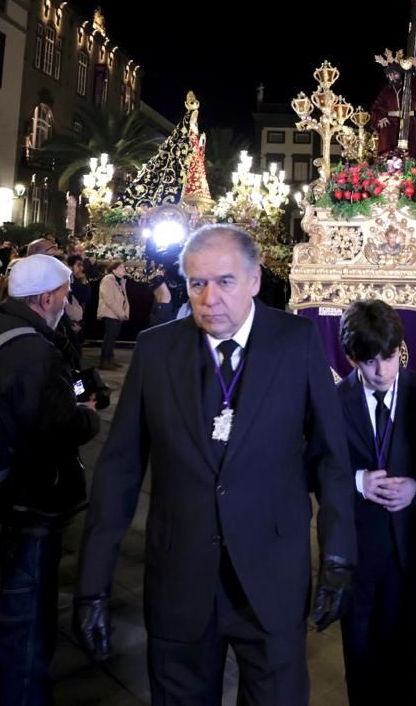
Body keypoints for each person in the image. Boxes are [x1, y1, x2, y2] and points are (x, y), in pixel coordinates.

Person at [74, 225, 356, 704]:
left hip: (270, 581)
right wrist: (92, 584)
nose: (209, 298)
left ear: (254, 280)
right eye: (196, 283)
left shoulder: (297, 341)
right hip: (180, 580)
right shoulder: (156, 349)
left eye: (224, 281)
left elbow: (332, 457)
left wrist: (337, 553)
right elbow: (118, 470)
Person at [0, 254, 101, 705]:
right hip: (25, 499)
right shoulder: (33, 350)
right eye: (64, 294)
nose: (68, 300)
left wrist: (75, 389)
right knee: (26, 613)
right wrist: (89, 417)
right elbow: (54, 426)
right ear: (45, 298)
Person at [336, 299, 416, 705]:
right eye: (369, 362)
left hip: (409, 544)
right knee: (359, 647)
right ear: (352, 357)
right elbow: (310, 464)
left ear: (400, 350)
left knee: (404, 642)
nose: (382, 371)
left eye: (389, 358)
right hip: (356, 547)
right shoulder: (335, 400)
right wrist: (357, 480)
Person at [95, 259, 130, 371]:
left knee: (112, 337)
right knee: (109, 338)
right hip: (110, 313)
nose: (123, 269)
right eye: (121, 267)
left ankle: (110, 359)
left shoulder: (120, 280)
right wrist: (120, 313)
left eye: (124, 267)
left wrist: (124, 312)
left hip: (117, 314)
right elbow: (109, 299)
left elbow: (123, 298)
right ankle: (104, 362)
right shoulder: (108, 280)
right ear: (114, 269)